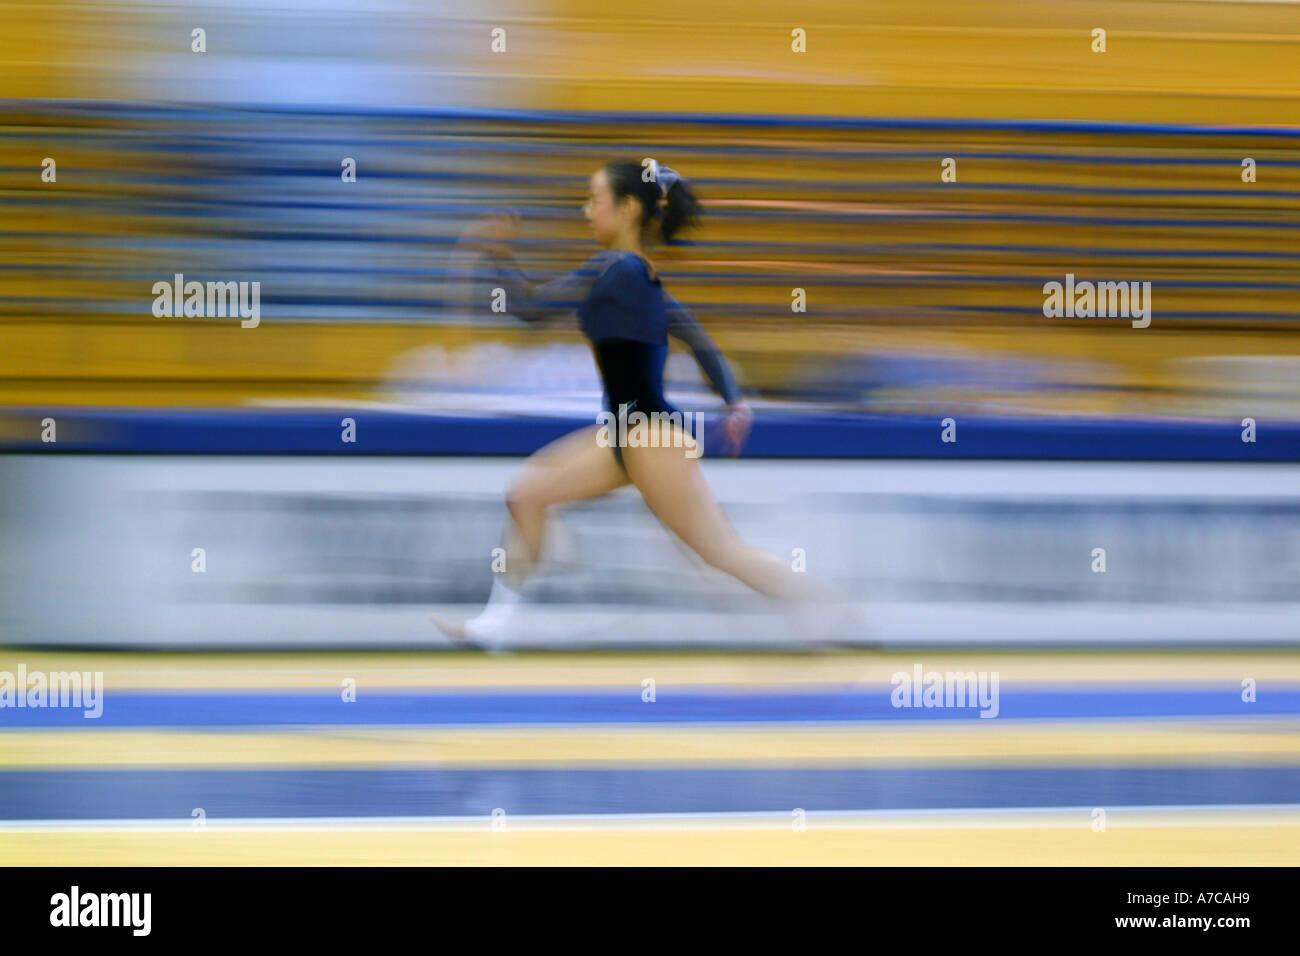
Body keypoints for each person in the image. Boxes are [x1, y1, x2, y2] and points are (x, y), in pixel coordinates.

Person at [433, 160, 824, 647]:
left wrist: (491, 251)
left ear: (628, 208)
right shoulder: (640, 277)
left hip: (650, 436)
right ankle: (496, 625)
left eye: (595, 199)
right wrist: (734, 401)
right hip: (624, 435)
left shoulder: (616, 269)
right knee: (527, 494)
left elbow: (530, 309)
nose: (586, 211)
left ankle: (822, 612)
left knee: (721, 553)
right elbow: (695, 337)